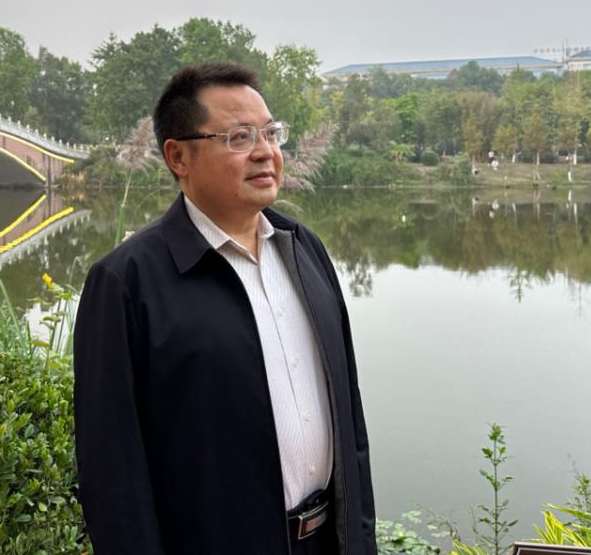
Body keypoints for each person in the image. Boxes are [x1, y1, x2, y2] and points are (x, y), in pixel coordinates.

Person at [73, 62, 377, 555]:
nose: (265, 152)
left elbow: (350, 422)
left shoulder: (304, 249)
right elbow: (113, 477)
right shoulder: (127, 282)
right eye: (239, 137)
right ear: (178, 156)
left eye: (271, 133)